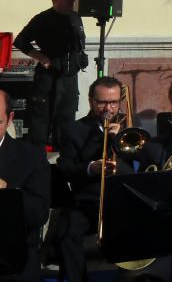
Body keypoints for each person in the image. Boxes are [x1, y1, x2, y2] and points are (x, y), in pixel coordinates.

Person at [54, 77, 132, 282]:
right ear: (90, 101)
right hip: (86, 201)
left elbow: (141, 164)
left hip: (122, 201)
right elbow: (65, 168)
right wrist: (91, 168)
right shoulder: (74, 130)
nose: (108, 108)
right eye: (102, 102)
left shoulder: (129, 127)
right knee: (66, 234)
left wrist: (118, 140)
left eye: (114, 102)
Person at [14, 0, 88, 147]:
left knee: (66, 127)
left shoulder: (75, 18)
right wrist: (41, 57)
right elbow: (20, 41)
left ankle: (64, 165)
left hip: (69, 79)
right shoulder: (43, 19)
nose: (73, 1)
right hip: (48, 79)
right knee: (40, 128)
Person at [0, 89, 50, 281]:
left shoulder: (31, 156)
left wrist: (7, 191)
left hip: (10, 258)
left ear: (10, 117)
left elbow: (39, 214)